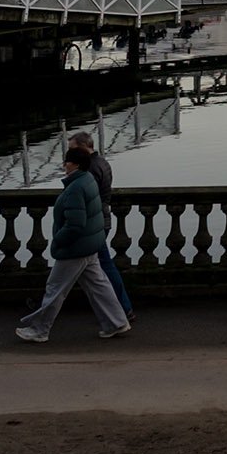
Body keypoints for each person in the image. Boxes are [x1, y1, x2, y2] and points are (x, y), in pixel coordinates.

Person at [15, 146, 130, 343]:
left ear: (75, 164)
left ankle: (39, 330)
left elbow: (75, 224)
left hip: (75, 248)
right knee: (99, 286)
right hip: (89, 245)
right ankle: (116, 322)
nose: (64, 165)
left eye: (67, 161)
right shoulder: (88, 180)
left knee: (55, 289)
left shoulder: (76, 188)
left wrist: (58, 239)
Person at [69, 130, 136, 320]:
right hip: (102, 220)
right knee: (100, 266)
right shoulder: (103, 163)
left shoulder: (88, 169)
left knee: (97, 267)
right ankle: (121, 309)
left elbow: (85, 197)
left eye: (72, 150)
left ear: (82, 148)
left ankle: (122, 309)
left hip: (93, 224)